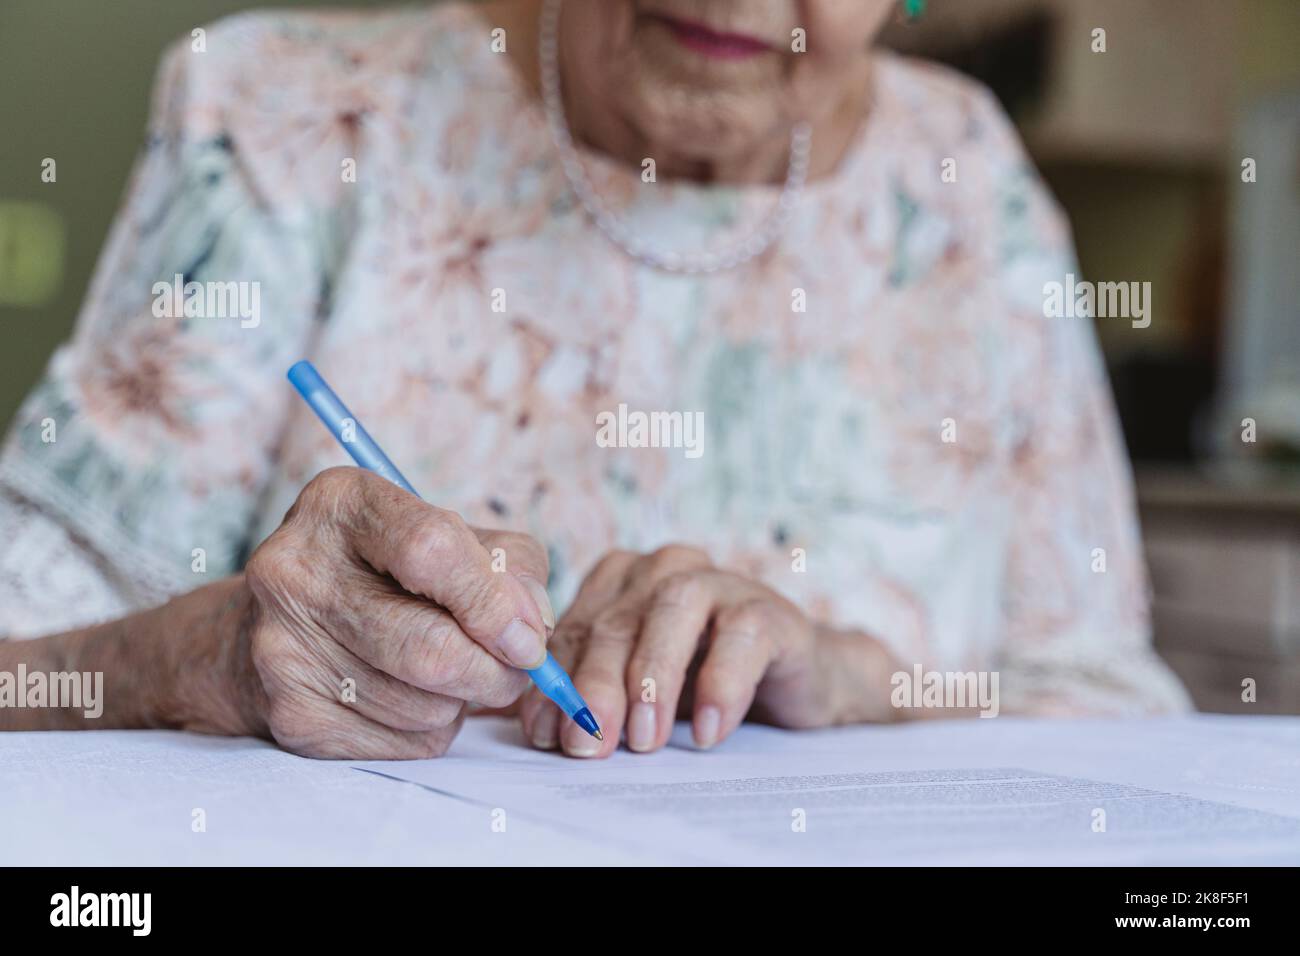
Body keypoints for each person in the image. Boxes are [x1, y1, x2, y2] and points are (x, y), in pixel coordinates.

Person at [0, 0, 1190, 759]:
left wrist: (851, 677)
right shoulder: (278, 111)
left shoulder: (969, 179)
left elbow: (1122, 716)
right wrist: (203, 656)